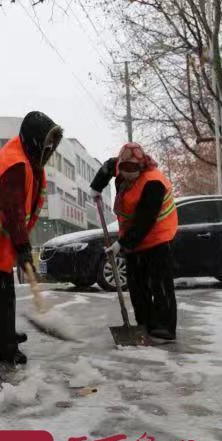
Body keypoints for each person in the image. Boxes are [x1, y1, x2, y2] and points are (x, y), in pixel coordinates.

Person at [0, 111, 63, 365]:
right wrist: (22, 247)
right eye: (46, 142)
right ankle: (4, 347)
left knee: (5, 290)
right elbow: (13, 211)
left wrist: (20, 245)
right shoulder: (16, 165)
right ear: (33, 140)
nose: (49, 148)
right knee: (3, 291)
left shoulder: (25, 154)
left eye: (53, 142)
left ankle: (5, 334)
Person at [90, 142, 178, 341]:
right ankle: (145, 323)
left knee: (159, 283)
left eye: (132, 171)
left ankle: (165, 327)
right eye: (123, 170)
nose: (127, 175)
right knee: (136, 284)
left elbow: (144, 221)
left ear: (141, 166)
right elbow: (107, 167)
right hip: (133, 235)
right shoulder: (122, 165)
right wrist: (96, 187)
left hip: (158, 234)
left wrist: (122, 244)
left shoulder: (153, 182)